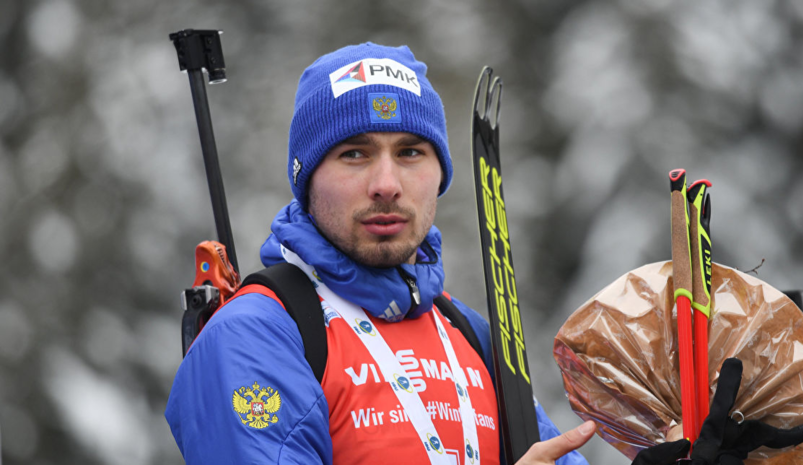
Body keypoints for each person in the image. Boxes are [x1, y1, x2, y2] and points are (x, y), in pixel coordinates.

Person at [165, 42, 595, 464]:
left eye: (410, 152)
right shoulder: (256, 336)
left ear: (440, 174)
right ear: (308, 179)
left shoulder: (469, 333)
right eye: (354, 153)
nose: (386, 183)